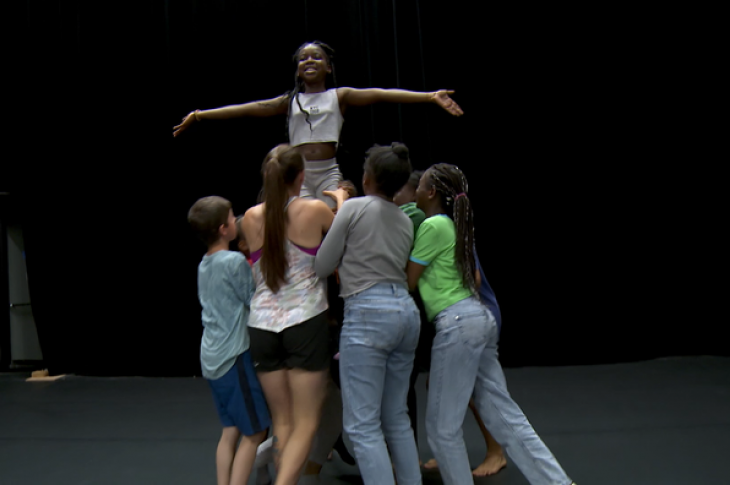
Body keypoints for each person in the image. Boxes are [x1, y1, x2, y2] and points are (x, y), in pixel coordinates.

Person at [407, 164, 576, 485]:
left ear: (430, 193)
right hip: (478, 319)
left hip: (457, 323)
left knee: (442, 430)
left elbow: (409, 282)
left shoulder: (432, 226)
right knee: (506, 417)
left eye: (419, 186)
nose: (413, 190)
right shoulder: (457, 226)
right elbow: (476, 278)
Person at [173, 40, 463, 208]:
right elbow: (244, 110)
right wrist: (200, 115)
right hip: (297, 174)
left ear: (328, 66)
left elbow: (383, 94)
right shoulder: (289, 101)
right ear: (297, 69)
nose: (309, 61)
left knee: (331, 226)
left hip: (327, 174)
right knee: (299, 229)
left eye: (317, 57)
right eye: (303, 59)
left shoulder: (340, 96)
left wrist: (428, 96)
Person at [240, 144, 349, 485]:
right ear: (301, 176)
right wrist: (343, 201)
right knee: (306, 423)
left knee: (283, 422)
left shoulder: (249, 217)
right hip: (305, 322)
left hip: (261, 326)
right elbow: (345, 237)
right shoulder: (316, 210)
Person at [315, 142, 421, 485]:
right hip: (405, 313)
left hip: (367, 314)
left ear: (368, 177)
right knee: (396, 417)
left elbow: (322, 265)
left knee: (362, 424)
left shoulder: (354, 208)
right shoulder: (405, 220)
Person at [187, 196, 271, 485]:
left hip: (211, 356)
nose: (238, 220)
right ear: (224, 228)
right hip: (233, 357)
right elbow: (253, 299)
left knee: (231, 430)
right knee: (255, 432)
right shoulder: (234, 261)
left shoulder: (204, 264)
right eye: (233, 216)